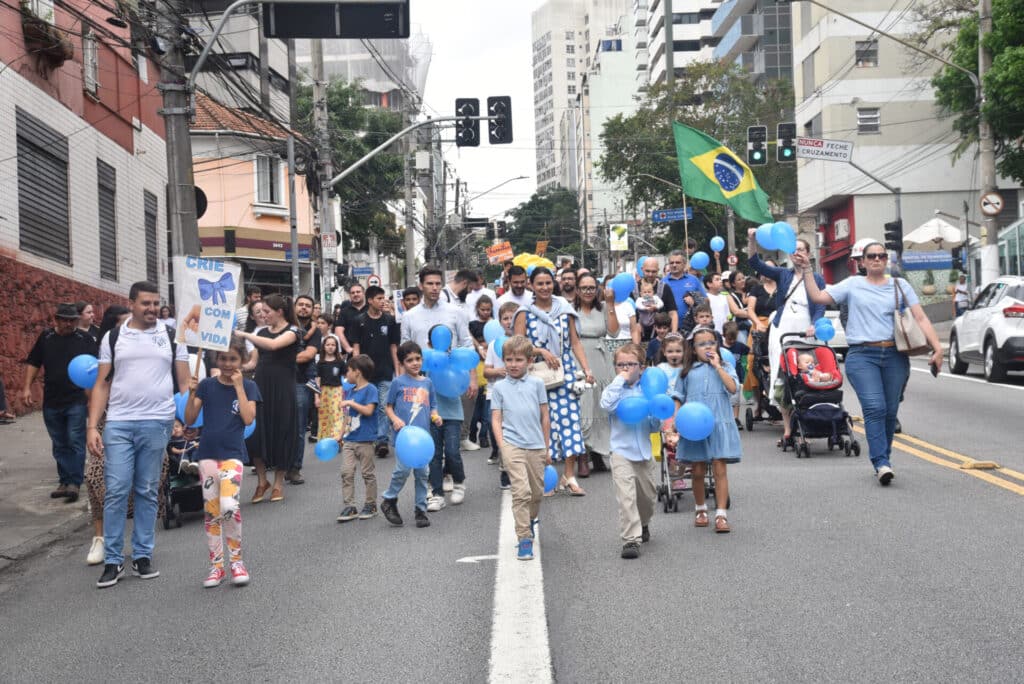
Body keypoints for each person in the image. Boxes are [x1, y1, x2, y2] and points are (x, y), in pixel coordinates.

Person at [794, 242, 943, 485]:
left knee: (890, 411)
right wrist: (808, 269)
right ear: (861, 261)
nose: (877, 259)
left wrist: (938, 348)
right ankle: (881, 463)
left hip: (895, 355)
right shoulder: (852, 284)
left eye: (882, 256)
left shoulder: (900, 285)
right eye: (871, 256)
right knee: (875, 407)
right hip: (862, 355)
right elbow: (818, 296)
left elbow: (920, 317)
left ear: (887, 260)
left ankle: (884, 457)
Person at [88, 282, 190, 588]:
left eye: (156, 303)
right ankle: (113, 559)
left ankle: (143, 556)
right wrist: (93, 426)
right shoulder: (114, 337)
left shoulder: (173, 336)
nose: (152, 308)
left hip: (157, 422)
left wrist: (183, 416)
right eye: (146, 303)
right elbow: (102, 383)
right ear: (131, 303)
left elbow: (184, 382)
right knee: (117, 489)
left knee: (147, 490)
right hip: (119, 422)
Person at [184, 338, 260, 588]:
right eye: (223, 358)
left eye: (233, 359)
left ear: (242, 361)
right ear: (217, 360)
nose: (227, 364)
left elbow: (249, 419)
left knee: (229, 505)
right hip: (207, 454)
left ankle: (237, 561)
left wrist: (239, 386)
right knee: (212, 511)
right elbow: (190, 418)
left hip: (232, 455)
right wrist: (192, 392)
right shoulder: (207, 385)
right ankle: (217, 566)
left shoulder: (249, 387)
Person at [513, 267, 595, 496]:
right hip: (535, 375)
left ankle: (569, 476)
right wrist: (540, 350)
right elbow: (517, 344)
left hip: (564, 372)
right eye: (539, 283)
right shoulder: (524, 312)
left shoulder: (564, 309)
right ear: (531, 285)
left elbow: (576, 342)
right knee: (541, 427)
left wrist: (586, 369)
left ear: (554, 283)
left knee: (570, 423)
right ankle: (545, 476)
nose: (545, 288)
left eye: (548, 283)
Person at [747, 230, 826, 449]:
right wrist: (752, 239)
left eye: (801, 249)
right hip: (783, 328)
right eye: (793, 250)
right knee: (782, 375)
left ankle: (807, 426)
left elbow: (820, 305)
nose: (797, 253)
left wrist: (815, 324)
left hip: (806, 329)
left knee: (806, 374)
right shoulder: (783, 275)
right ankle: (788, 429)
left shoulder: (817, 278)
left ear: (809, 254)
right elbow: (755, 262)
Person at [23, 303, 97, 503]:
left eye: (72, 320)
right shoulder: (46, 338)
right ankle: (64, 480)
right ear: (55, 319)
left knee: (75, 439)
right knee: (59, 442)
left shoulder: (85, 339)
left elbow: (95, 369)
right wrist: (27, 388)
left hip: (76, 399)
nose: (68, 323)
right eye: (64, 319)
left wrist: (92, 399)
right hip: (52, 400)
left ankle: (74, 482)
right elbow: (34, 363)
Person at [670, 326, 741, 533]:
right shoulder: (686, 371)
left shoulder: (726, 365)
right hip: (695, 426)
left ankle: (721, 514)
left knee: (720, 469)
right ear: (693, 349)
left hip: (719, 423)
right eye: (702, 344)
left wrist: (718, 366)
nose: (707, 347)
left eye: (711, 342)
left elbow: (733, 388)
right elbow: (678, 396)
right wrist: (676, 418)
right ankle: (700, 509)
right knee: (698, 470)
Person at [233, 294, 301, 504]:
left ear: (279, 312)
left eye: (267, 311)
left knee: (281, 432)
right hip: (261, 385)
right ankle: (262, 481)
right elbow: (254, 362)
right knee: (256, 433)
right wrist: (235, 367)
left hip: (283, 388)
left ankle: (278, 482)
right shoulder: (260, 332)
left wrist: (243, 334)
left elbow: (273, 345)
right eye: (261, 312)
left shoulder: (293, 331)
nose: (263, 315)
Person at [491, 335, 551, 561]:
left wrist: (547, 447)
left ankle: (530, 519)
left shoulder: (537, 384)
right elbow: (496, 418)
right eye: (508, 360)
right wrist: (502, 444)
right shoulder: (500, 387)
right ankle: (524, 537)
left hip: (535, 445)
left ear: (528, 361)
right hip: (512, 444)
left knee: (536, 493)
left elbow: (545, 417)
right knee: (521, 492)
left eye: (518, 360)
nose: (513, 364)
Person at [599, 343, 661, 559]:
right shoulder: (614, 390)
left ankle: (643, 523)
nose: (625, 368)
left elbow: (654, 425)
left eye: (631, 364)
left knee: (648, 498)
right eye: (620, 365)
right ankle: (630, 540)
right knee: (626, 498)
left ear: (641, 367)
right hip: (621, 451)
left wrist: (655, 415)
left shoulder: (648, 390)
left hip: (643, 452)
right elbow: (606, 404)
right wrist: (620, 380)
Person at [82, 305, 129, 565]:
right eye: (123, 323)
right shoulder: (99, 357)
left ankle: (132, 538)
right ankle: (99, 538)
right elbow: (92, 397)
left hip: (134, 422)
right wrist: (92, 427)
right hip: (104, 424)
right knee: (95, 476)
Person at [380, 342, 443, 528]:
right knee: (402, 470)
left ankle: (420, 511)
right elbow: (388, 406)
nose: (415, 363)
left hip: (422, 439)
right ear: (402, 363)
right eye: (409, 360)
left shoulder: (428, 383)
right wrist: (394, 419)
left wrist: (435, 416)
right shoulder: (398, 383)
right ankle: (389, 499)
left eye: (418, 359)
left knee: (423, 474)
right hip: (404, 438)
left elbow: (433, 405)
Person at [572, 274, 621, 474]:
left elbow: (614, 332)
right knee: (584, 405)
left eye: (592, 287)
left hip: (602, 359)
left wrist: (610, 304)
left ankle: (599, 452)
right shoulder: (570, 310)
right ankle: (582, 455)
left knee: (602, 405)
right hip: (579, 357)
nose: (588, 291)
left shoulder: (602, 308)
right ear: (577, 290)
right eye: (584, 287)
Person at [351, 285, 401, 459]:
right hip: (366, 374)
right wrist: (356, 370)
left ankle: (381, 441)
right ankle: (365, 440)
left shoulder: (390, 320)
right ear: (370, 300)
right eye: (379, 299)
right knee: (366, 408)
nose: (382, 301)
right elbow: (355, 348)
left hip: (386, 371)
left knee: (383, 407)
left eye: (383, 298)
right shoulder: (359, 320)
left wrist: (397, 370)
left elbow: (394, 347)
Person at [336, 354, 379, 521]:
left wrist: (351, 403)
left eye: (348, 371)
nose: (346, 374)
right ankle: (350, 506)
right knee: (346, 472)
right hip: (349, 439)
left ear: (357, 372)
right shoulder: (349, 391)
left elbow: (368, 411)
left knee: (367, 473)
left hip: (366, 440)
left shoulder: (371, 389)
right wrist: (340, 436)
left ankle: (371, 504)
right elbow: (347, 417)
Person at [484, 302, 520, 482]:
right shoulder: (493, 345)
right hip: (497, 394)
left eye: (513, 317)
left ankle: (514, 466)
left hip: (519, 394)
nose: (509, 322)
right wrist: (498, 372)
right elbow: (486, 371)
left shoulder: (524, 342)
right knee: (499, 430)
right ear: (500, 322)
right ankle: (505, 467)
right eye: (505, 318)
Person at [290, 294, 321, 484]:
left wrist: (281, 358)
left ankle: (294, 468)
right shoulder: (285, 326)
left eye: (307, 305)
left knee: (299, 427)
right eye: (300, 304)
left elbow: (307, 356)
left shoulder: (314, 331)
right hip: (280, 381)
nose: (303, 308)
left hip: (301, 382)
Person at [314, 335, 347, 442]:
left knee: (337, 415)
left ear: (336, 347)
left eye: (333, 345)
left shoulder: (340, 362)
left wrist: (344, 394)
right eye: (328, 344)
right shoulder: (320, 363)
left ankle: (337, 439)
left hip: (337, 391)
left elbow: (345, 379)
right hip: (324, 392)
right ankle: (325, 440)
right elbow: (317, 381)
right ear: (323, 347)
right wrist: (316, 397)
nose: (330, 347)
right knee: (324, 416)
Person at [634, 258, 678, 336]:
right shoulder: (634, 288)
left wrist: (673, 334)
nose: (650, 274)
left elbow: (672, 313)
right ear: (642, 269)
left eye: (653, 271)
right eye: (647, 271)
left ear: (658, 270)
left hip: (660, 336)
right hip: (638, 335)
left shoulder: (665, 288)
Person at [663, 250, 706, 326]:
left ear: (684, 264)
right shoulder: (662, 282)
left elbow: (704, 302)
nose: (674, 265)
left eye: (677, 262)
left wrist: (695, 302)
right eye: (671, 263)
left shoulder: (694, 280)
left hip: (691, 326)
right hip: (668, 327)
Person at [723, 321, 750, 429]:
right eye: (730, 339)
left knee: (735, 400)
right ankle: (725, 418)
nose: (732, 341)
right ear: (724, 335)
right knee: (724, 399)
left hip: (735, 377)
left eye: (734, 339)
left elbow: (750, 351)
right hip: (723, 377)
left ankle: (735, 418)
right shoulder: (720, 347)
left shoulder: (739, 346)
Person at [335, 283, 368, 354]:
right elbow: (338, 331)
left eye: (358, 292)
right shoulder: (344, 312)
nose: (355, 294)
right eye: (352, 293)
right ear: (350, 295)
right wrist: (348, 348)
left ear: (363, 293)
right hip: (353, 352)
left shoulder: (371, 309)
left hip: (371, 351)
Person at [725, 271, 754, 345]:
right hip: (741, 328)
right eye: (739, 279)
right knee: (744, 349)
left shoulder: (751, 293)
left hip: (754, 326)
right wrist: (753, 314)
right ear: (733, 284)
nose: (742, 281)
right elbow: (736, 312)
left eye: (743, 278)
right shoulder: (730, 296)